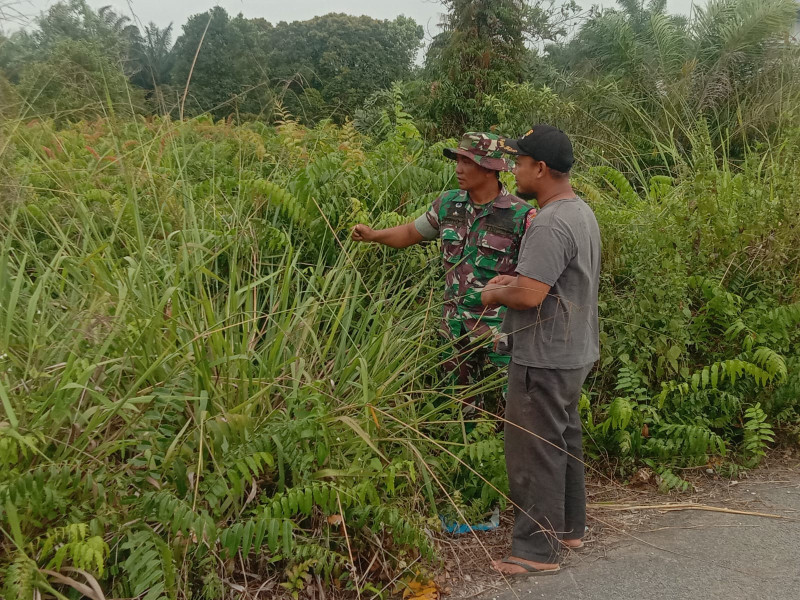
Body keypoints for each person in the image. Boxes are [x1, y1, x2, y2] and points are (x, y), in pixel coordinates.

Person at [480, 125, 601, 575]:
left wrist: (494, 295)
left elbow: (531, 296)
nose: (513, 170)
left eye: (519, 162)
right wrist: (513, 282)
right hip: (574, 350)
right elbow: (553, 283)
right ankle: (568, 528)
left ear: (541, 168)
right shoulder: (579, 212)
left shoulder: (549, 222)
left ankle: (535, 551)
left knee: (533, 448)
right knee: (564, 441)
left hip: (544, 356)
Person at [352, 132, 535, 419]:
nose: (458, 169)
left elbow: (533, 278)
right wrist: (374, 235)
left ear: (489, 169)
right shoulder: (448, 204)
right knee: (460, 411)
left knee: (513, 410)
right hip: (453, 328)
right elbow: (411, 232)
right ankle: (463, 459)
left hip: (499, 333)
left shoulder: (522, 215)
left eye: (467, 162)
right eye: (457, 160)